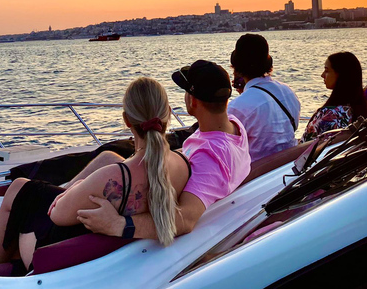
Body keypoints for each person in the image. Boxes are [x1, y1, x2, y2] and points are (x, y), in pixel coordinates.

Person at [0, 77, 191, 272]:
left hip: (71, 252)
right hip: (116, 246)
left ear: (127, 120)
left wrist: (75, 188)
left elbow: (57, 215)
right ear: (169, 113)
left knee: (19, 188)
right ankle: (8, 267)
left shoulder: (115, 177)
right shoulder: (182, 164)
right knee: (108, 156)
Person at [76, 60, 251, 240]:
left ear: (193, 100)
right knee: (107, 158)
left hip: (154, 213)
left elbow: (185, 219)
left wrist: (119, 224)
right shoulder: (234, 126)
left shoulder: (210, 158)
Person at [227, 34, 301, 161]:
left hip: (256, 175)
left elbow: (227, 148)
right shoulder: (288, 92)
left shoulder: (238, 106)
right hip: (287, 167)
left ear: (237, 68)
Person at [302, 52, 367, 142]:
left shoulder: (330, 114)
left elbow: (306, 145)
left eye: (327, 70)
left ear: (340, 74)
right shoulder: (358, 108)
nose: (322, 75)